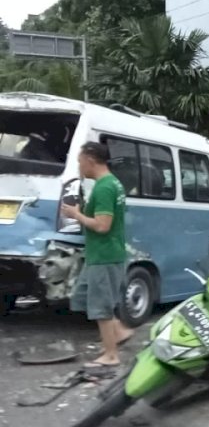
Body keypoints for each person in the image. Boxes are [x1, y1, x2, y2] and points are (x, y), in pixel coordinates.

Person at [60, 142, 133, 368]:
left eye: (80, 161)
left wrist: (75, 214)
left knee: (101, 307)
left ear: (90, 161)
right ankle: (118, 331)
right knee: (82, 297)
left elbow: (102, 226)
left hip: (105, 255)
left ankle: (110, 355)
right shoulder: (112, 183)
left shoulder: (104, 188)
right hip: (101, 254)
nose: (79, 166)